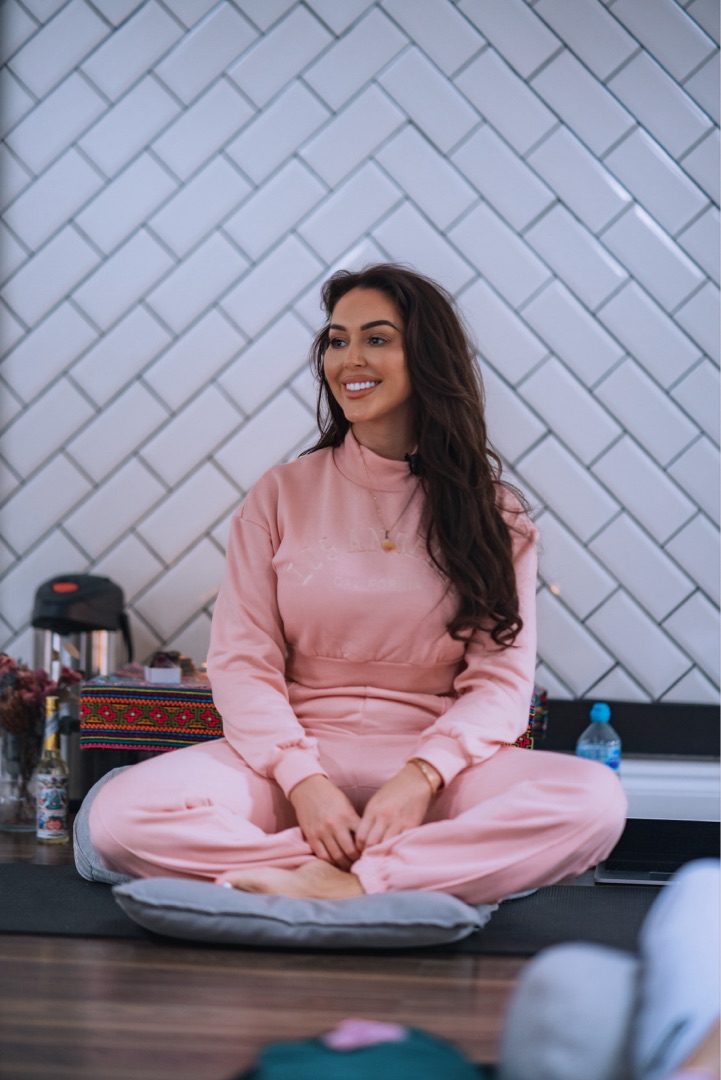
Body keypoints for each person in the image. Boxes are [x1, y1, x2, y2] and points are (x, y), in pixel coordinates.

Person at [88, 263, 627, 903]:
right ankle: (360, 873)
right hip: (292, 763)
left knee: (594, 803)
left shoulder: (497, 514)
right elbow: (243, 660)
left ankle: (346, 879)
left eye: (376, 338)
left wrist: (422, 777)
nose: (349, 358)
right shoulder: (280, 494)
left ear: (426, 356)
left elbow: (500, 683)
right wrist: (302, 781)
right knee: (119, 816)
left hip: (432, 768)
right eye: (336, 340)